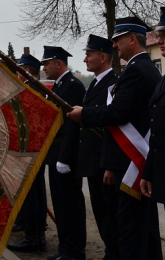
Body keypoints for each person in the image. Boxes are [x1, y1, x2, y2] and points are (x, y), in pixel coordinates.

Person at [68, 17, 163, 260]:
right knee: (144, 230)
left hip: (131, 163)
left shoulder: (137, 70)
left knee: (130, 233)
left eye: (118, 40)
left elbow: (118, 113)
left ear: (132, 39)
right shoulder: (144, 68)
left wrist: (84, 115)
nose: (115, 46)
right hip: (132, 160)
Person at [42, 46, 86, 260]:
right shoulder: (59, 86)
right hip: (55, 152)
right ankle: (64, 249)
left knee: (70, 205)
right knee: (60, 204)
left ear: (58, 63)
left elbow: (72, 126)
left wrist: (65, 157)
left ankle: (74, 251)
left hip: (65, 155)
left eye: (47, 63)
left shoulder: (73, 86)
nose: (44, 67)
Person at [77, 35, 118, 260]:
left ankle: (114, 254)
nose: (85, 59)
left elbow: (111, 126)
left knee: (109, 215)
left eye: (89, 55)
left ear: (103, 57)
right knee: (102, 215)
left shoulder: (112, 84)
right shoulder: (95, 83)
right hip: (94, 163)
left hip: (104, 163)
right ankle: (110, 252)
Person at [7, 54, 47, 253]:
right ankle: (29, 229)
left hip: (32, 153)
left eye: (20, 69)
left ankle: (34, 237)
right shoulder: (26, 89)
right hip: (26, 151)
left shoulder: (33, 91)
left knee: (33, 196)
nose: (17, 73)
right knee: (28, 195)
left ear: (27, 71)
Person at [141, 7, 165, 204]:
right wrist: (149, 172)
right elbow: (156, 134)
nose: (159, 41)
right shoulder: (163, 81)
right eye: (159, 35)